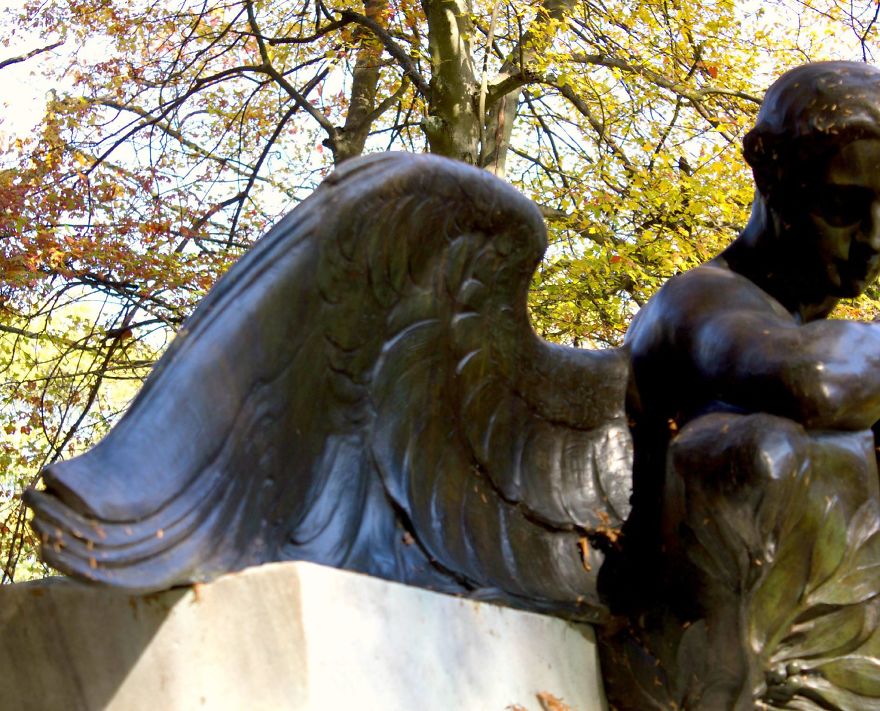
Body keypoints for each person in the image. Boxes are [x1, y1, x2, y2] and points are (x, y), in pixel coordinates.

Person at [602, 61, 880, 615]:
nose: (873, 240)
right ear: (772, 179)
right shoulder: (700, 301)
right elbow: (812, 381)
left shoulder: (811, 322)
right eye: (842, 207)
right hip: (674, 647)